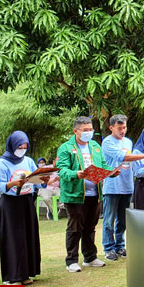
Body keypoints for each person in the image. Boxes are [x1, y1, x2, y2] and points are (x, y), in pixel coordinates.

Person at [56, 116, 118, 273]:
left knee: (90, 226)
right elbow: (62, 170)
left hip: (94, 194)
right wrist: (76, 174)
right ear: (75, 131)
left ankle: (90, 257)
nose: (88, 133)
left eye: (90, 130)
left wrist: (111, 172)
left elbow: (102, 165)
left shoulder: (95, 146)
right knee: (75, 227)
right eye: (85, 130)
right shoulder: (66, 148)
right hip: (75, 194)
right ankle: (71, 260)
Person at [102, 114, 144, 261]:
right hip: (112, 187)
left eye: (124, 127)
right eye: (119, 128)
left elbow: (132, 164)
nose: (123, 130)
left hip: (127, 186)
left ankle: (120, 246)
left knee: (123, 219)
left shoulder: (128, 142)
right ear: (111, 128)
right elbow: (125, 158)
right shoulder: (107, 143)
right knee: (109, 219)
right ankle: (108, 248)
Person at [0, 131, 44, 285]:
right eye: (19, 146)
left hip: (27, 201)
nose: (22, 148)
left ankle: (26, 273)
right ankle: (13, 276)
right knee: (13, 239)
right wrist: (13, 184)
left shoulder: (28, 160)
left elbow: (36, 177)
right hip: (10, 203)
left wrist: (43, 178)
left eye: (25, 146)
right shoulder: (1, 163)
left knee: (28, 236)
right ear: (12, 145)